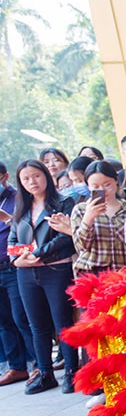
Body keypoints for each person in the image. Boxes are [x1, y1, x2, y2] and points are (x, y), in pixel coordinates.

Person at [8, 160, 78, 394]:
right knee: (36, 325)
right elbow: (12, 241)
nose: (32, 182)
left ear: (46, 176)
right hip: (26, 271)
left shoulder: (63, 202)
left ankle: (71, 372)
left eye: (36, 176)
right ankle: (45, 373)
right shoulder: (21, 208)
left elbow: (66, 238)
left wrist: (37, 254)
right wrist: (16, 259)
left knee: (63, 323)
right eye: (26, 179)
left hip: (56, 270)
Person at [0, 162, 38, 387]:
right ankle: (16, 366)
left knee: (22, 317)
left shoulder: (18, 199)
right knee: (4, 322)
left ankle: (38, 365)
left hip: (14, 267)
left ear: (4, 177)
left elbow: (27, 229)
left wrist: (6, 218)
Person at [69, 160, 126, 277]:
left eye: (107, 184)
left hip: (124, 272)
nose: (102, 190)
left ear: (116, 180)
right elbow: (81, 246)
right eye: (95, 186)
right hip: (93, 273)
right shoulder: (81, 209)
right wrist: (89, 218)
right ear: (88, 186)